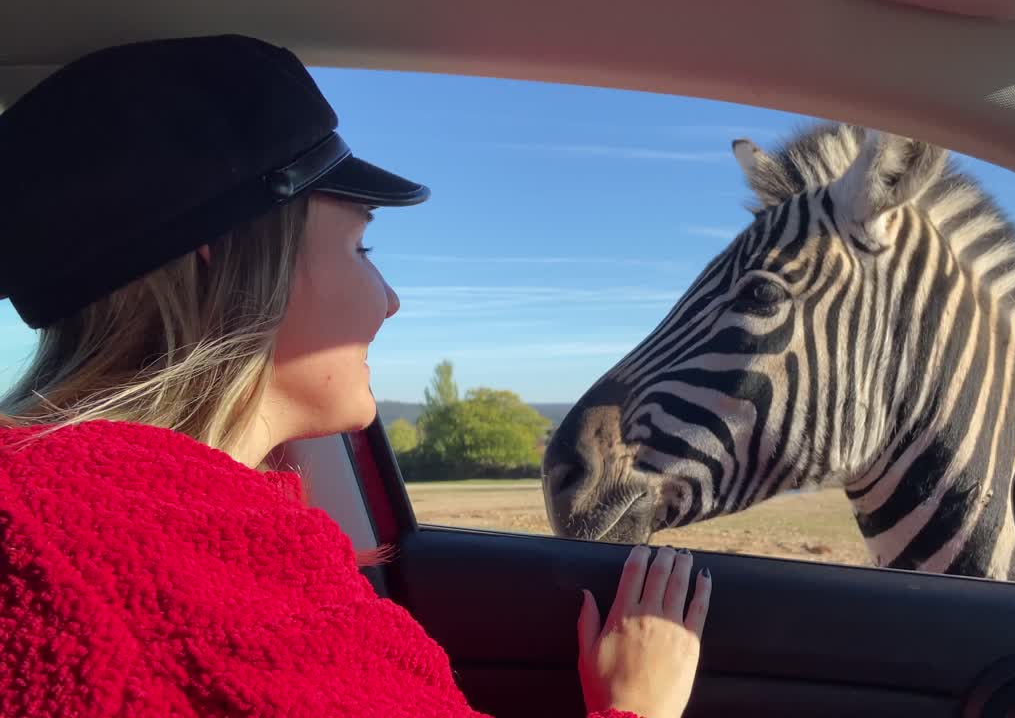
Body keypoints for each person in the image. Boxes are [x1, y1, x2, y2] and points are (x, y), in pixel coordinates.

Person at [0, 35, 711, 717]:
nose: (390, 300)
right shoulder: (193, 592)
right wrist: (634, 708)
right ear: (224, 259)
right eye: (361, 247)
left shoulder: (96, 525)